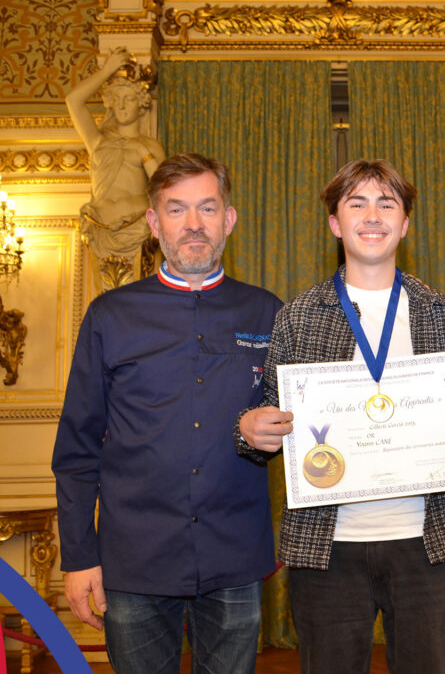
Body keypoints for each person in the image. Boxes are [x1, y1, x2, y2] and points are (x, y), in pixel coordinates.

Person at [235, 159, 445, 674]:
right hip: (327, 546)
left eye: (386, 204)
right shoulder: (298, 316)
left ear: (405, 223)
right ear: (335, 223)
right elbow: (269, 416)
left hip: (427, 544)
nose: (372, 216)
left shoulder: (443, 313)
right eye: (357, 203)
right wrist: (249, 429)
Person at [52, 154, 281, 674]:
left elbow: (303, 426)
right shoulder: (110, 315)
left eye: (207, 208)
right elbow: (77, 450)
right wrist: (79, 557)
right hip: (134, 559)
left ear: (229, 219)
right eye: (177, 210)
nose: (194, 224)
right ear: (154, 224)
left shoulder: (268, 311)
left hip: (235, 556)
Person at [66, 48, 165, 289]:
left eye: (128, 99)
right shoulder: (97, 141)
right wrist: (106, 71)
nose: (121, 106)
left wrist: (142, 152)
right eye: (116, 99)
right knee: (105, 297)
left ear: (141, 103)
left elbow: (164, 188)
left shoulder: (150, 145)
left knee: (136, 297)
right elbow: (73, 101)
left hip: (137, 230)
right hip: (100, 229)